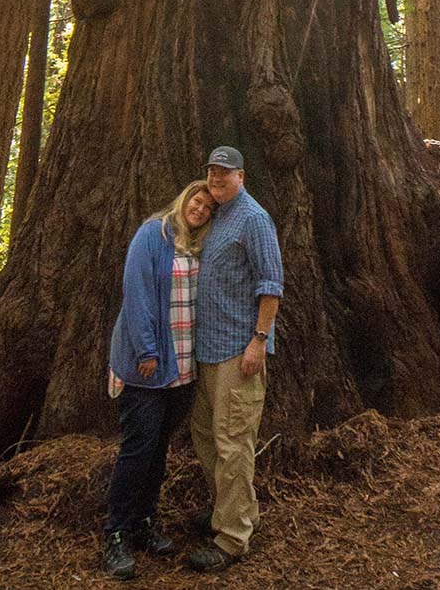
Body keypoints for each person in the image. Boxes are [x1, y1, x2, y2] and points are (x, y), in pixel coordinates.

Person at [101, 180, 216, 581]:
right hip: (148, 366)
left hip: (183, 367)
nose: (200, 209)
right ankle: (115, 533)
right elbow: (137, 294)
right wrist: (147, 349)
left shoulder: (198, 246)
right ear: (185, 199)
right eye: (196, 201)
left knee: (159, 450)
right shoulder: (155, 233)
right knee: (137, 449)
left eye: (207, 207)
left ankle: (145, 522)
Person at [187, 146, 284, 573]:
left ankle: (232, 539)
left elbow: (271, 282)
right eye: (212, 171)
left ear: (241, 176)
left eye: (225, 172)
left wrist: (259, 340)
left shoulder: (254, 218)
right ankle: (231, 512)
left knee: (233, 443)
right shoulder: (220, 215)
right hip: (208, 349)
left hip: (238, 351)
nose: (216, 178)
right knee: (205, 433)